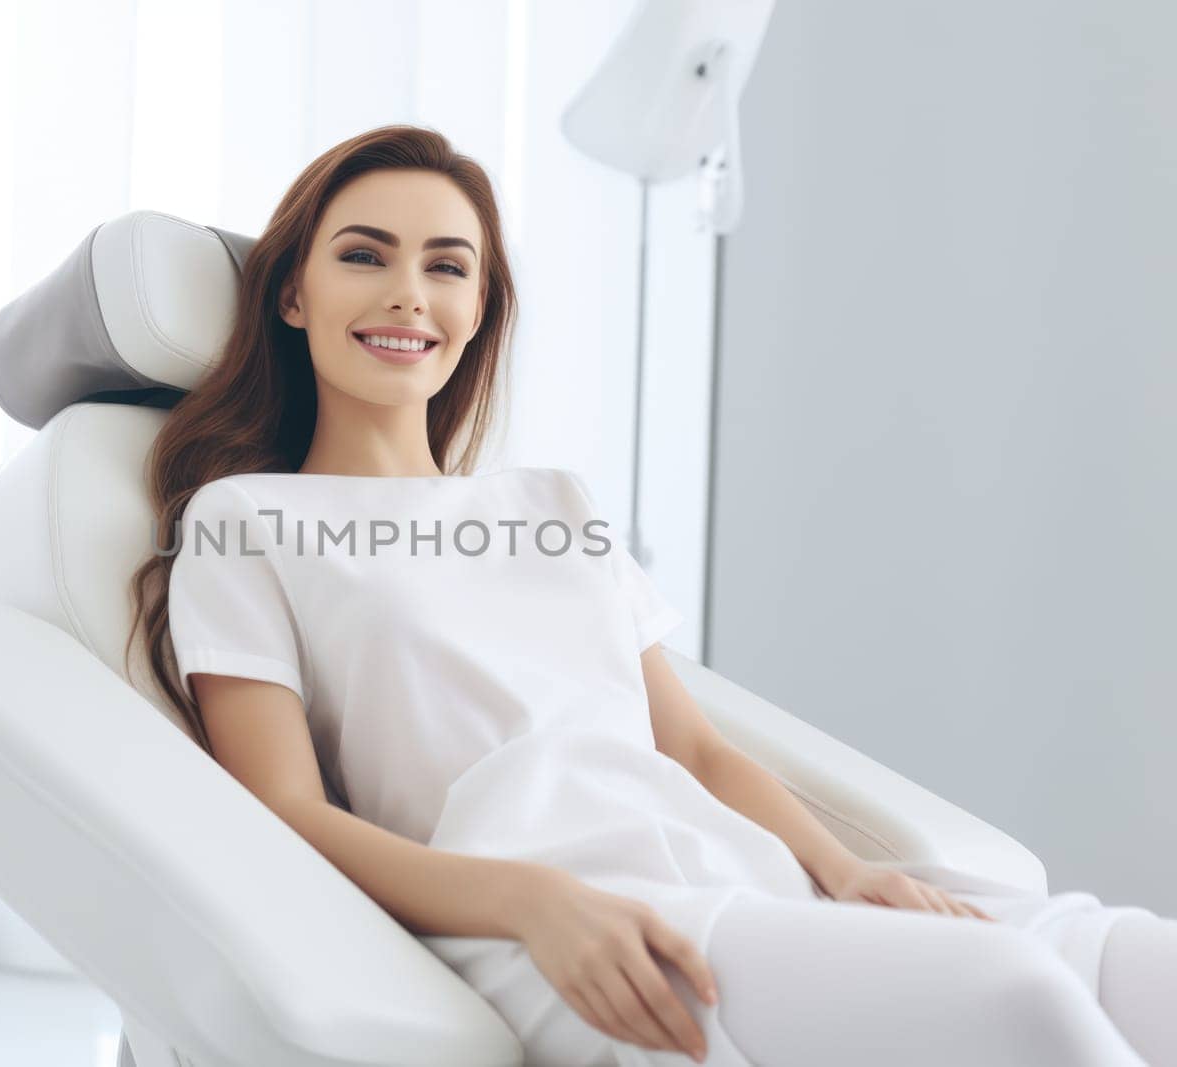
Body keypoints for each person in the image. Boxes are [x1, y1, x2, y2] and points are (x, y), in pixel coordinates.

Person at [125, 124, 1176, 1066]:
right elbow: (282, 812)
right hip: (566, 916)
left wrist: (847, 873)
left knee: (1146, 966)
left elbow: (698, 750)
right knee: (1018, 995)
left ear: (479, 306)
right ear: (292, 294)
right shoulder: (244, 521)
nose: (410, 293)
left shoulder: (553, 502)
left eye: (448, 267)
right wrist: (532, 899)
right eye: (365, 255)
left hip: (737, 872)